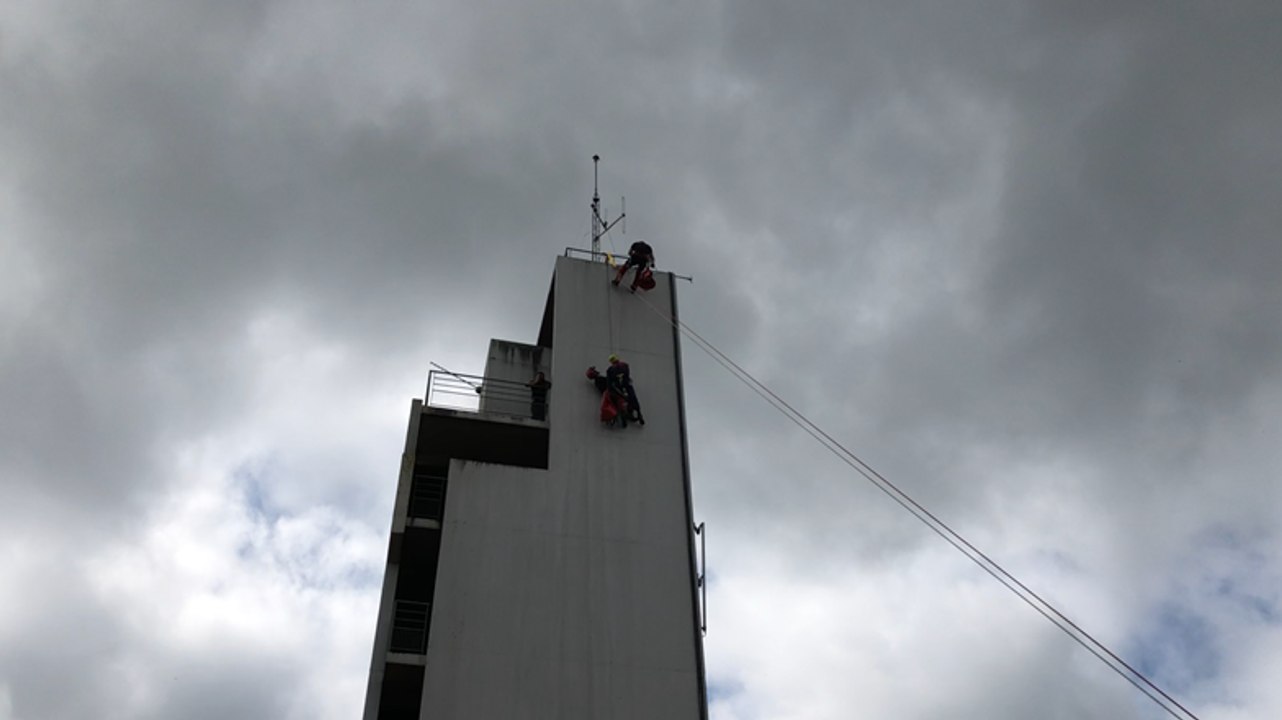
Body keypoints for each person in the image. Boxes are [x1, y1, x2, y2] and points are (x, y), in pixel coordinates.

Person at [606, 354, 645, 425]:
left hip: (618, 387)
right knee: (633, 398)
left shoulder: (610, 370)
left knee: (615, 398)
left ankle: (616, 414)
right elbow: (627, 376)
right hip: (626, 385)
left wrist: (610, 388)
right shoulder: (625, 365)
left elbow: (609, 382)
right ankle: (639, 414)